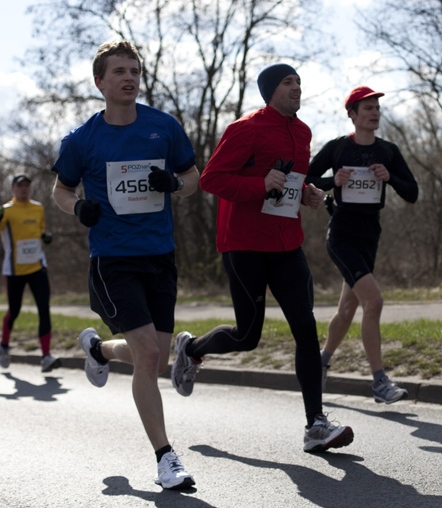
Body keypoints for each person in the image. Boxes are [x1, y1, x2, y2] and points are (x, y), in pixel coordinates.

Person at [170, 63, 354, 453]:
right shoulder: (245, 128)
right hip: (244, 245)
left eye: (299, 82)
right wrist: (260, 184)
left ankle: (315, 425)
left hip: (287, 244)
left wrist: (307, 192)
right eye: (288, 82)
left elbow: (293, 181)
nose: (296, 87)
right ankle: (191, 349)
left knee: (306, 329)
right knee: (247, 336)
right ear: (270, 90)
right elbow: (211, 179)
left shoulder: (302, 132)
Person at [51, 40, 200, 490]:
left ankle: (99, 351)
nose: (129, 78)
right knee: (150, 354)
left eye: (134, 70)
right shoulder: (82, 140)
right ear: (100, 81)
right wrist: (78, 208)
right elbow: (61, 190)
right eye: (119, 71)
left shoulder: (163, 126)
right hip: (113, 260)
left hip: (160, 255)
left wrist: (174, 183)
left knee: (151, 357)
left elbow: (194, 178)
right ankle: (165, 457)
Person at [306, 86, 419, 404]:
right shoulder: (338, 148)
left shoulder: (388, 151)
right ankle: (380, 382)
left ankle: (319, 363)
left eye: (377, 108)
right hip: (342, 235)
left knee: (346, 310)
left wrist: (390, 177)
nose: (374, 113)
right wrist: (333, 182)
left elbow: (412, 192)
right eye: (367, 108)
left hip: (371, 236)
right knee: (374, 302)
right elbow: (306, 178)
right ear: (352, 114)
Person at [0, 174, 60, 373]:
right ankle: (4, 346)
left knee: (44, 309)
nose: (24, 189)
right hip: (14, 270)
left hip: (37, 267)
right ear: (12, 189)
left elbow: (40, 231)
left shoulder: (38, 208)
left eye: (27, 186)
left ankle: (46, 357)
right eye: (20, 186)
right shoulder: (5, 211)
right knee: (14, 311)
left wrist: (45, 237)